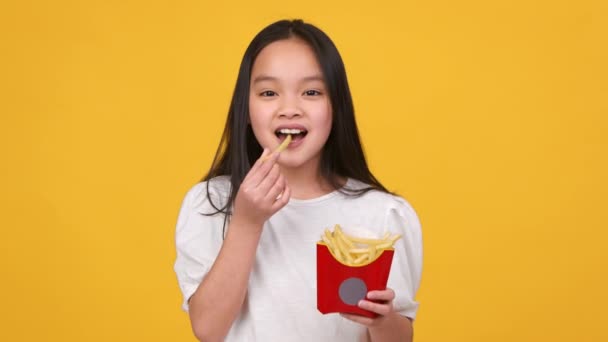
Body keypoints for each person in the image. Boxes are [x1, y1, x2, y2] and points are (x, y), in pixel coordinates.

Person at [173, 19, 423, 341]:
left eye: (311, 92)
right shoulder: (211, 203)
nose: (289, 109)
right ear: (245, 109)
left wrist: (380, 320)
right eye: (268, 92)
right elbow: (207, 329)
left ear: (336, 106)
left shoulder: (382, 213)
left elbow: (399, 337)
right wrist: (247, 222)